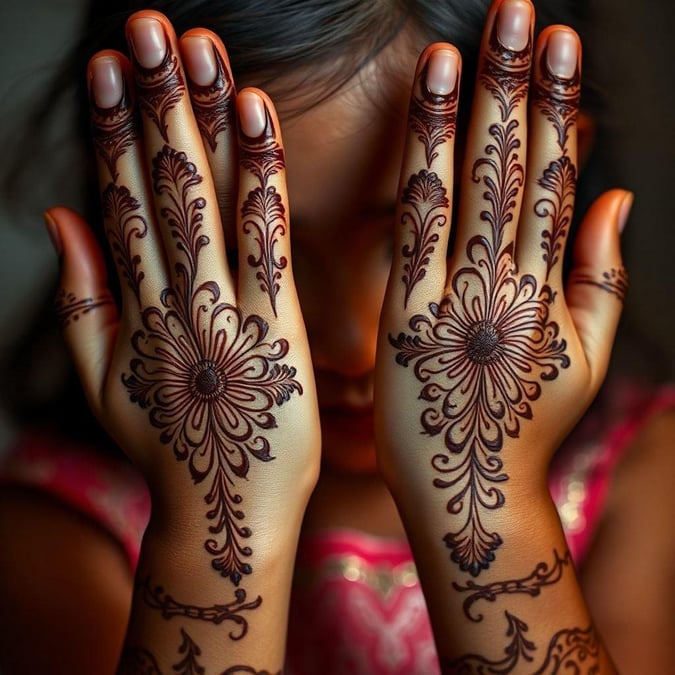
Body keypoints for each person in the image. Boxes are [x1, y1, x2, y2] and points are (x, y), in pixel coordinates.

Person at [0, 0, 674, 672]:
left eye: (409, 240)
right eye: (247, 255)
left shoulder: (637, 476)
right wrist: (216, 526)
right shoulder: (60, 531)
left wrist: (485, 501)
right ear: (134, 225)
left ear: (548, 186)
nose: (354, 346)